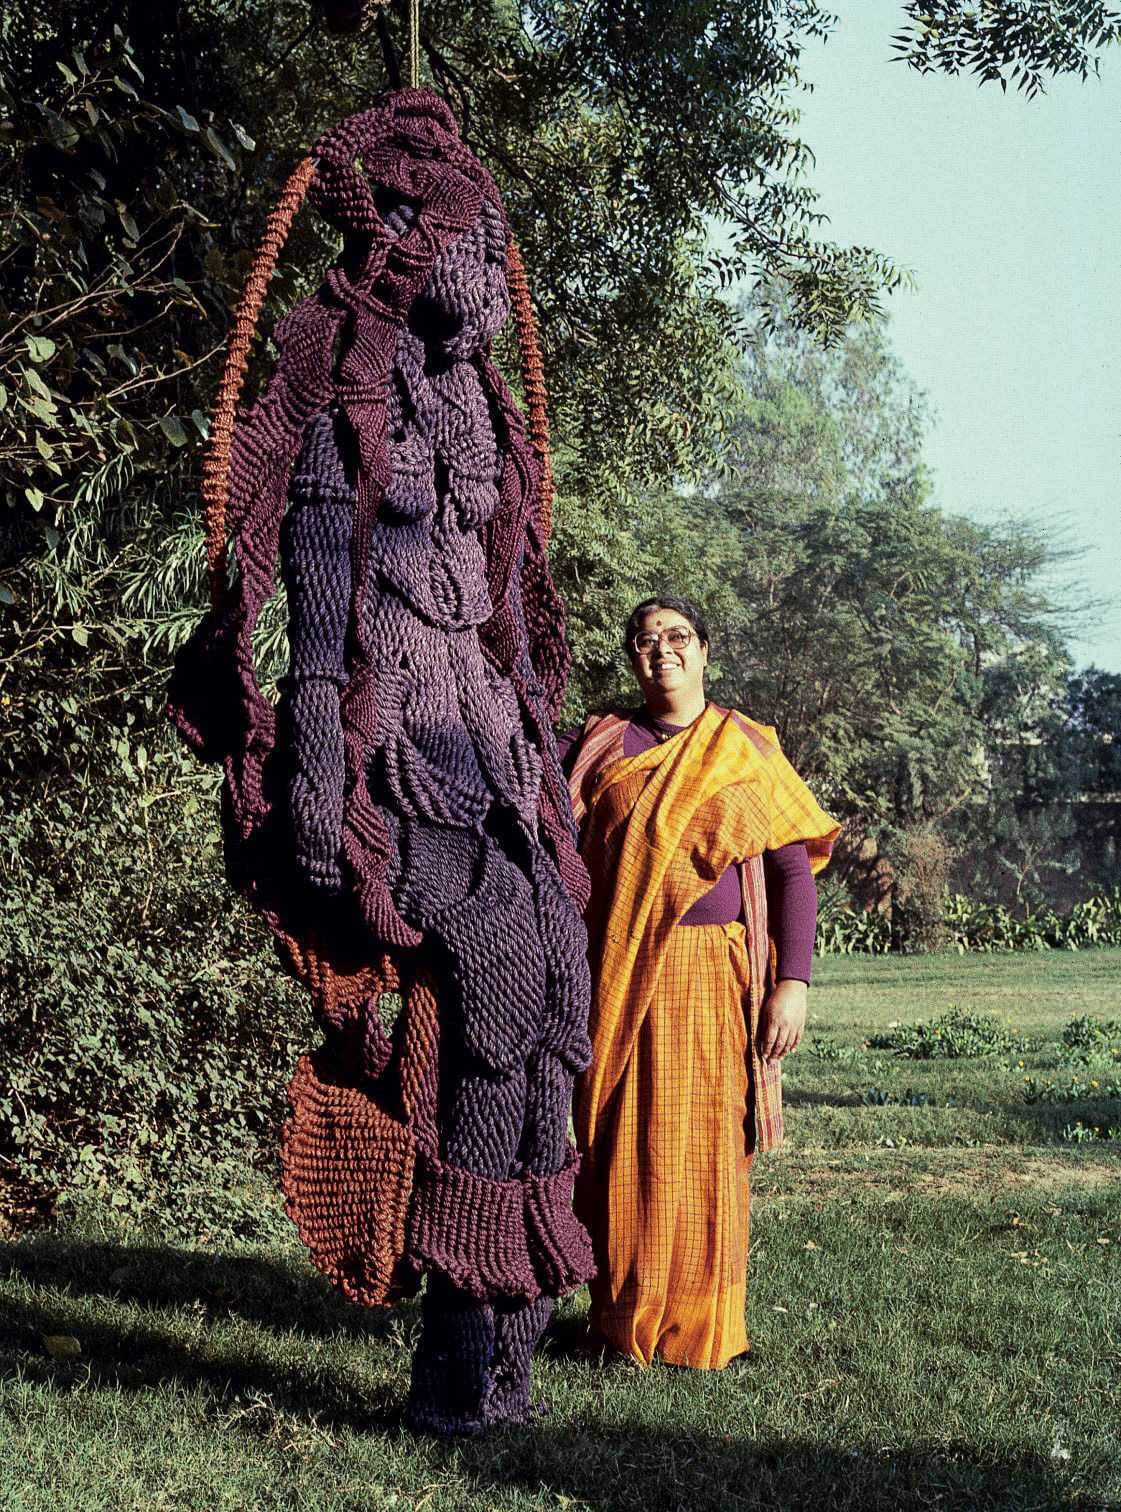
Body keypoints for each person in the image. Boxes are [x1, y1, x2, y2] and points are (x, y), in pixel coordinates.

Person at [561, 595, 840, 1370]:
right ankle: (620, 1327)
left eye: (677, 636)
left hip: (719, 971)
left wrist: (793, 982)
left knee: (712, 1145)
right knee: (623, 1144)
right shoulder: (603, 747)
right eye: (645, 640)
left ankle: (712, 1331)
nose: (662, 651)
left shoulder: (744, 747)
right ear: (631, 659)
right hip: (617, 973)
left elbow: (790, 872)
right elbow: (555, 855)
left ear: (705, 651)